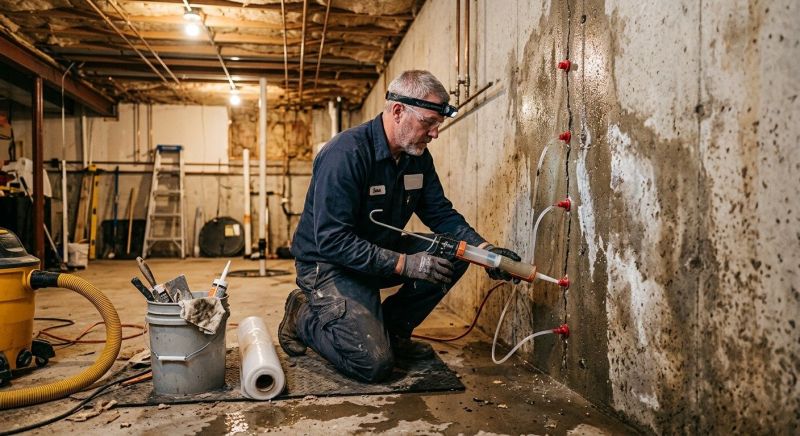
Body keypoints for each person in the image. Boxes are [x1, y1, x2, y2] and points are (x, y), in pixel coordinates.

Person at [278, 70, 521, 383]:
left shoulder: (416, 157)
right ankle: (302, 316)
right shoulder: (345, 154)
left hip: (379, 249)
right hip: (329, 264)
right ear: (397, 111)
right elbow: (332, 241)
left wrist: (485, 252)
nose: (435, 133)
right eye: (428, 122)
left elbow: (440, 213)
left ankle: (393, 332)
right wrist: (405, 263)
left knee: (456, 252)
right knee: (373, 365)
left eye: (438, 124)